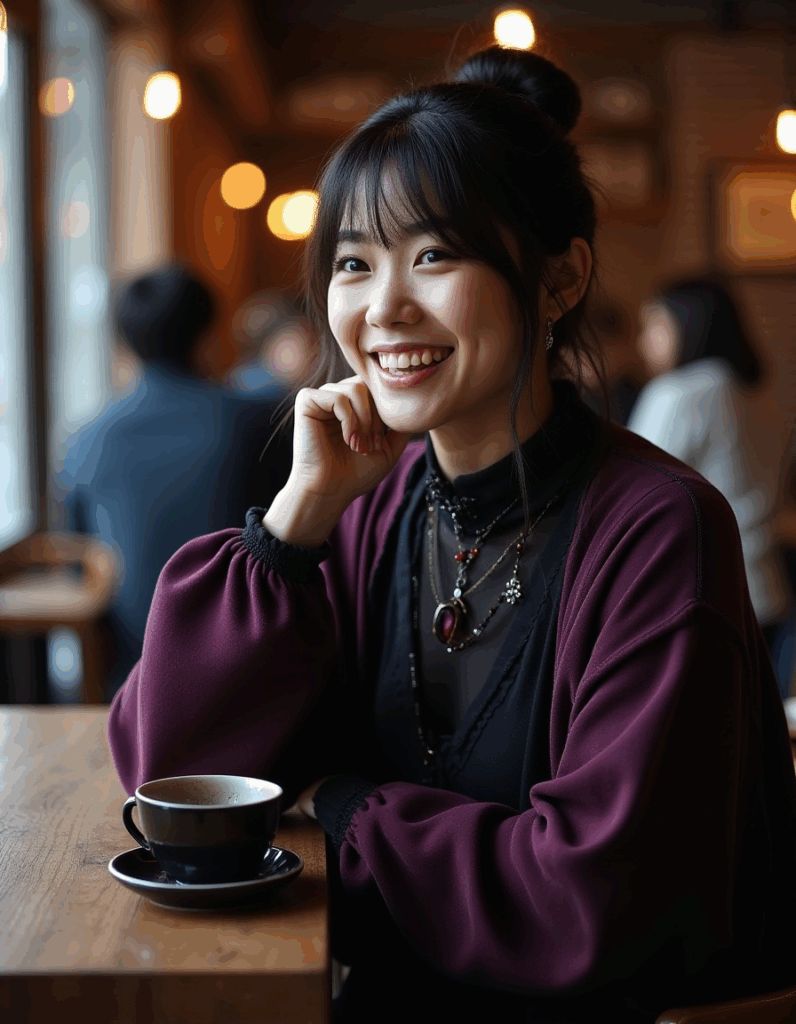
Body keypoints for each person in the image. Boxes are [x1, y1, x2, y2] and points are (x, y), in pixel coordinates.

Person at [107, 47, 796, 1023]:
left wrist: (343, 808)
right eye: (353, 261)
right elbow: (173, 778)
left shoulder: (656, 529)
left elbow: (588, 901)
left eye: (433, 254)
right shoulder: (376, 504)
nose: (383, 306)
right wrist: (295, 522)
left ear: (560, 280)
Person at [55, 264, 292, 699]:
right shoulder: (258, 422)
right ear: (209, 329)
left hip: (130, 678)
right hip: (247, 667)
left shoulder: (86, 439)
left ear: (122, 341)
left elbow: (77, 561)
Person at [627, 281, 794, 698]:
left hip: (703, 593)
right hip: (769, 589)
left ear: (686, 325)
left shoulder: (682, 393)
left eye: (654, 324)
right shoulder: (761, 394)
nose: (644, 340)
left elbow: (626, 493)